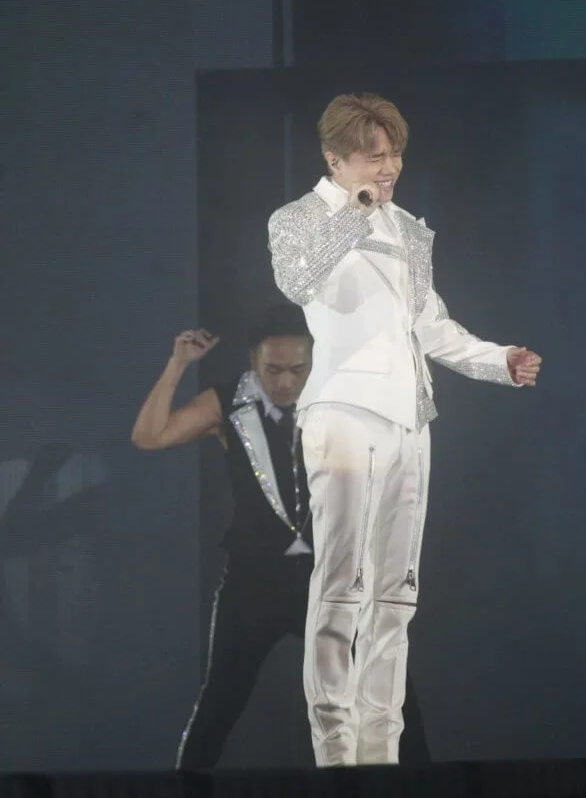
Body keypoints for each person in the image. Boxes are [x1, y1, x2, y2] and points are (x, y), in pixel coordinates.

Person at [267, 92, 542, 767]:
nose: (388, 168)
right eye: (373, 156)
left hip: (410, 421)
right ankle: (335, 753)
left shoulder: (407, 229)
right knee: (341, 585)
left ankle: (380, 753)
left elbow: (431, 325)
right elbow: (297, 281)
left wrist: (499, 360)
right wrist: (355, 212)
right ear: (335, 159)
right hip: (342, 414)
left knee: (395, 595)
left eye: (394, 155)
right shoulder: (300, 218)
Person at [130, 302, 431, 768]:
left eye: (297, 369)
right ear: (254, 360)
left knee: (386, 689)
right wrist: (178, 364)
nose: (286, 382)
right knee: (221, 697)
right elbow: (149, 437)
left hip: (331, 576)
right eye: (273, 370)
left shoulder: (342, 396)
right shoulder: (228, 401)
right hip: (255, 580)